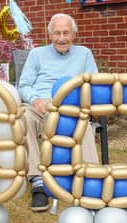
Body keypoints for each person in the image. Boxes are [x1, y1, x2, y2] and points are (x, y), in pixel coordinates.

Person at [17, 13, 99, 212]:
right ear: (50, 35)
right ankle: (37, 180)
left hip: (71, 108)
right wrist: (35, 100)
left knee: (84, 124)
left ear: (74, 34)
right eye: (57, 33)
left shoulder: (84, 54)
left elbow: (95, 84)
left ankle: (92, 180)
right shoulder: (37, 54)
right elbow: (24, 85)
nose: (61, 38)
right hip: (41, 107)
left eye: (66, 33)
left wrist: (79, 102)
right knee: (22, 117)